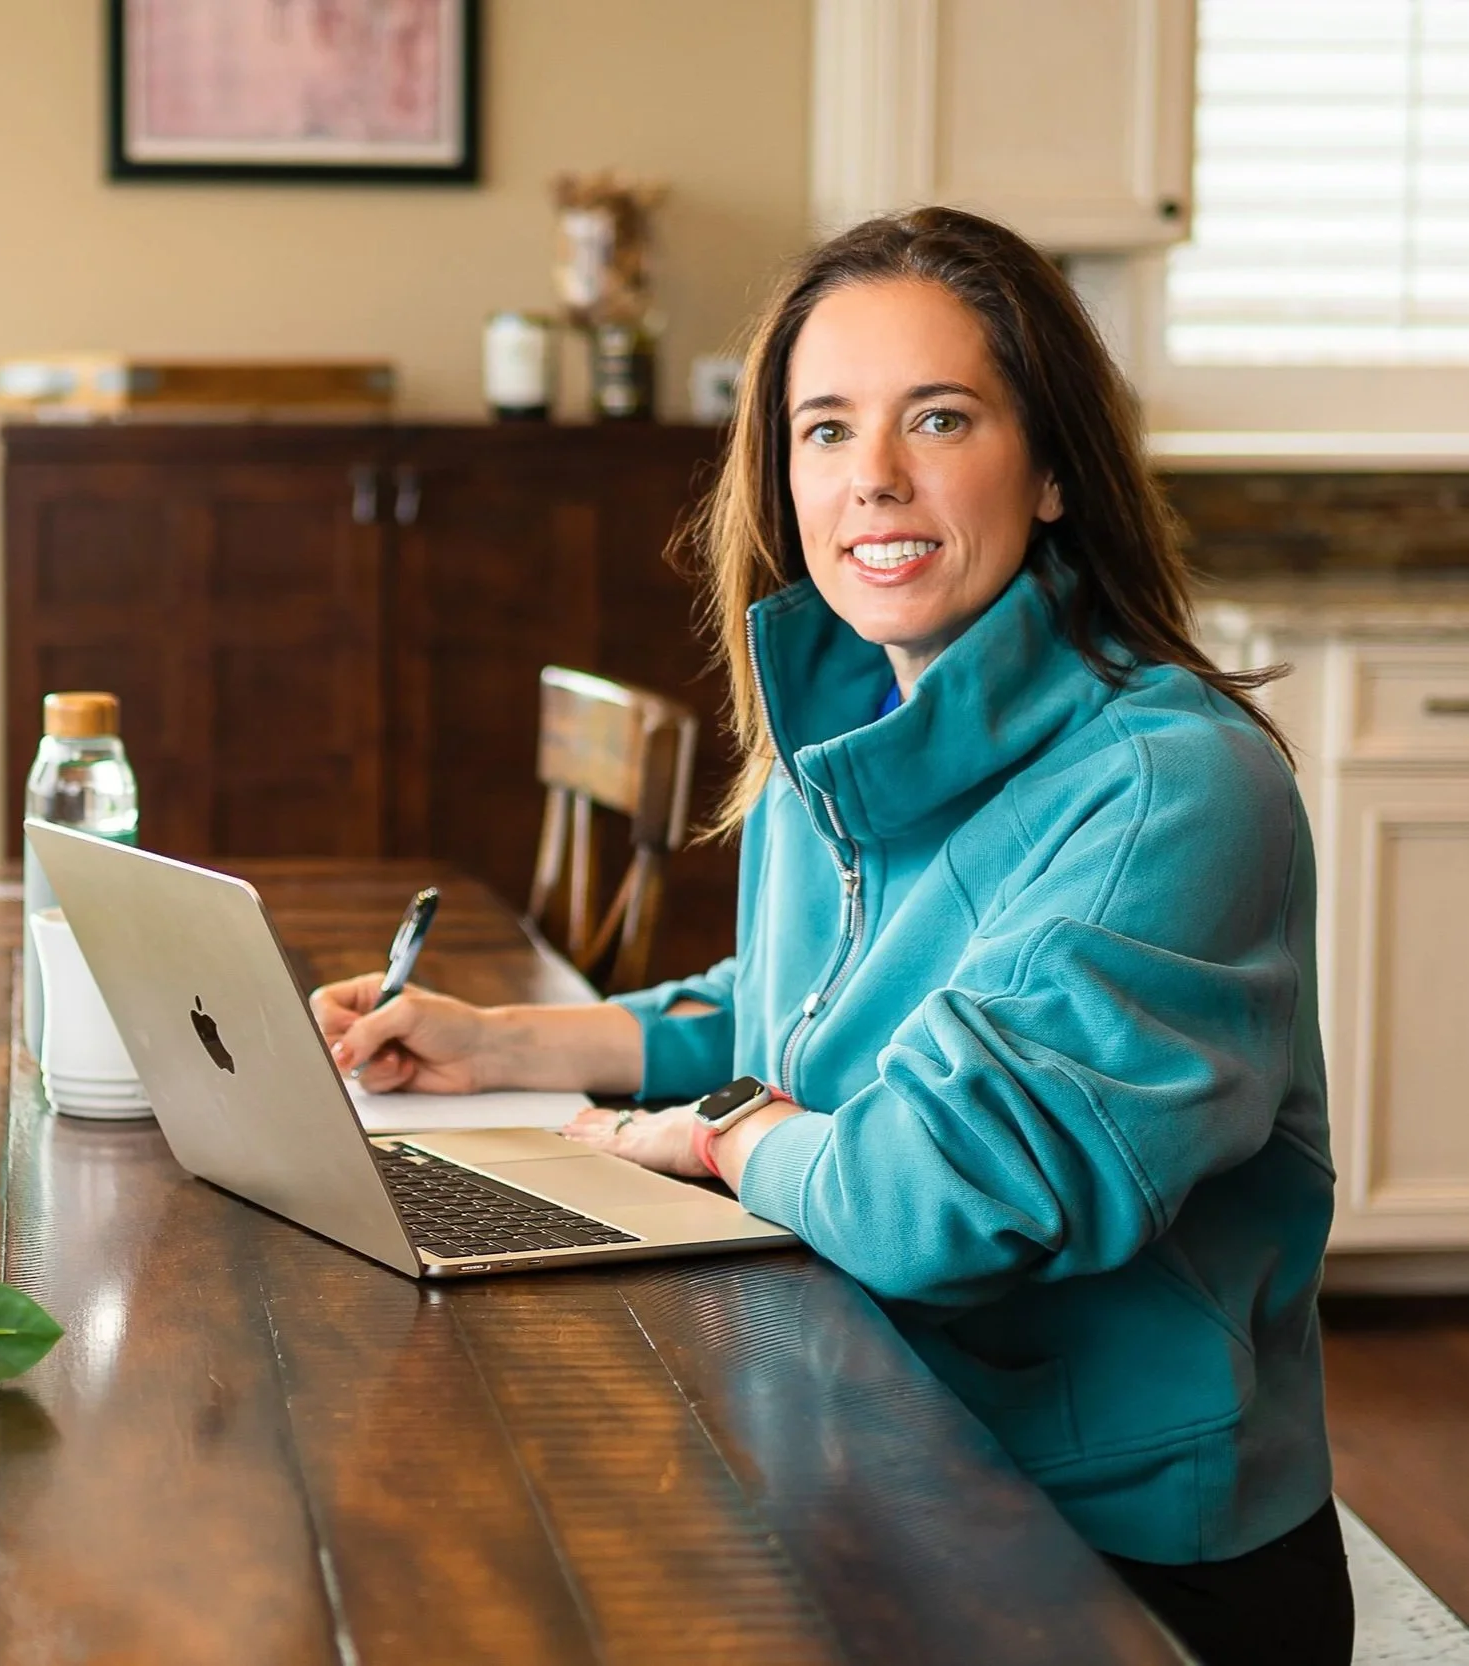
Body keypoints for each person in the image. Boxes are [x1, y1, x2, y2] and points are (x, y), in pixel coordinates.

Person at [311, 207, 1354, 1666]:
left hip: (1104, 1552)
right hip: (866, 1439)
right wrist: (499, 1041)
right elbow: (795, 1012)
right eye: (823, 429)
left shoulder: (1166, 790)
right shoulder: (845, 718)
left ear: (1053, 467)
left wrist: (727, 1133)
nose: (871, 477)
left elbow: (943, 1191)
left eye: (938, 417)